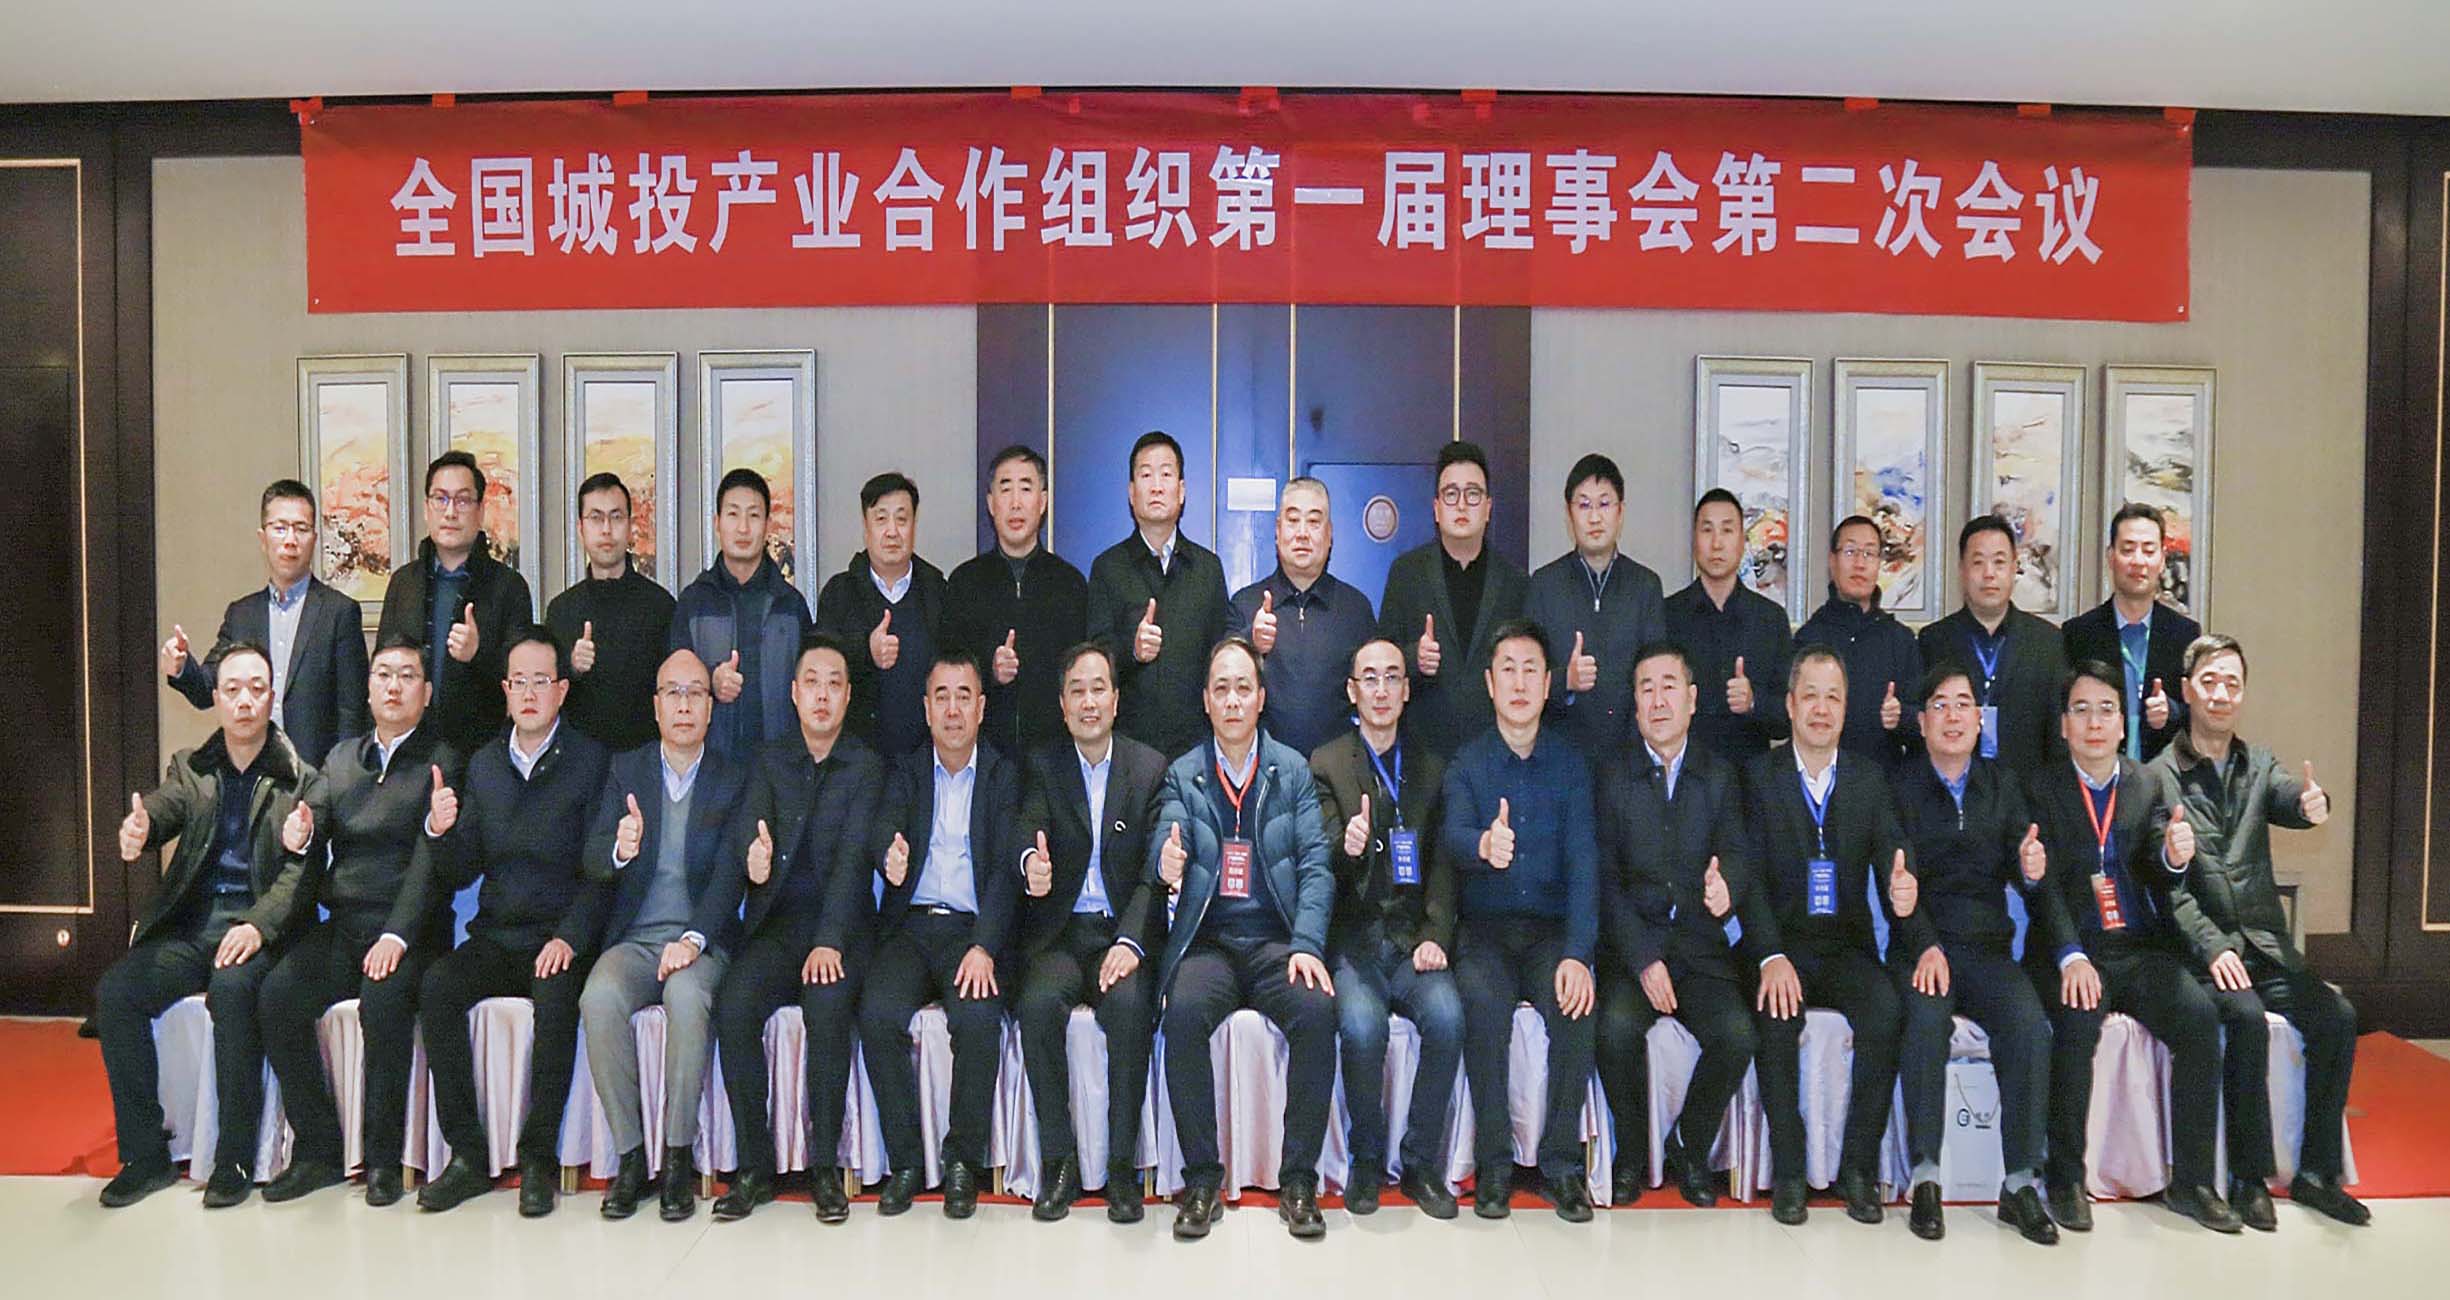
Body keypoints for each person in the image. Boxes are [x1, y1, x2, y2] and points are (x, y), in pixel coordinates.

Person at [96, 641, 326, 1209]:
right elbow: (164, 808)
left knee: (233, 989)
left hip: (259, 931)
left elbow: (301, 875)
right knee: (116, 993)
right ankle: (145, 1156)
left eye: (256, 689)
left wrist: (257, 926)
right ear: (216, 698)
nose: (244, 701)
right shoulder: (192, 768)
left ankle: (235, 1158)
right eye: (232, 689)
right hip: (195, 928)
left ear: (272, 697)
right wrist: (142, 828)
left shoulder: (302, 779)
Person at [2149, 633, 2369, 1227]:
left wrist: (2312, 802)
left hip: (2263, 946)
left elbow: (2290, 796)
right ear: (2187, 691)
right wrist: (2212, 946)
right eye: (2210, 682)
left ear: (2243, 695)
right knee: (2245, 1018)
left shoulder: (2259, 765)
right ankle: (2249, 1177)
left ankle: (2318, 1174)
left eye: (2233, 684)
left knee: (2337, 1016)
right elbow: (2165, 888)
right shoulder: (2157, 776)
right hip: (2199, 950)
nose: (2221, 694)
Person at [2025, 661, 2243, 1233]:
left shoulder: (2146, 782)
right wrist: (2071, 955)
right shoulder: (2040, 787)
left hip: (2135, 947)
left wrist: (2172, 855)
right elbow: (2043, 889)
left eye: (2106, 711)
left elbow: (2155, 867)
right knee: (2076, 1019)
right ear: (2064, 725)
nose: (2094, 723)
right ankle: (2065, 1178)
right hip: (2071, 947)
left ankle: (2192, 1183)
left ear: (2123, 724)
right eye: (2081, 711)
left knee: (2199, 1018)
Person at [256, 634, 463, 1207]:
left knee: (384, 999)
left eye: (407, 676)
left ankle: (382, 1160)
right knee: (277, 995)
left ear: (426, 692)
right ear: (369, 689)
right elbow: (314, 820)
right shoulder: (342, 758)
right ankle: (319, 1149)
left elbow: (430, 863)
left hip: (413, 930)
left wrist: (397, 934)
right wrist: (299, 834)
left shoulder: (442, 761)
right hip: (348, 926)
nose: (394, 687)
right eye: (383, 675)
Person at [412, 628, 612, 1216]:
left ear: (562, 691)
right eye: (517, 682)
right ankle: (468, 1155)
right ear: (503, 690)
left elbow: (602, 872)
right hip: (498, 935)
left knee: (557, 998)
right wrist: (440, 831)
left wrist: (570, 937)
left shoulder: (590, 761)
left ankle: (538, 1157)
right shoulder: (485, 765)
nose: (528, 693)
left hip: (559, 936)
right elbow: (462, 869)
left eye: (540, 682)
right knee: (437, 987)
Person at [1151, 637, 1338, 1242]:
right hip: (1210, 942)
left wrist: (1307, 943)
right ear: (1206, 701)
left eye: (1242, 688)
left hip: (1277, 941)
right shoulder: (1184, 773)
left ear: (1261, 698)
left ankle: (1299, 1180)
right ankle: (1202, 1180)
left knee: (1317, 1011)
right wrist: (1165, 861)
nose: (1232, 701)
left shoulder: (1292, 770)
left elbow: (1316, 865)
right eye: (1221, 689)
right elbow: (1165, 838)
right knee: (1182, 1012)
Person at [705, 634, 885, 1225]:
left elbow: (855, 858)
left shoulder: (866, 765)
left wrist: (829, 940)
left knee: (828, 1007)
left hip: (842, 929)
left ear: (849, 696)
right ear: (793, 693)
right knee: (734, 1005)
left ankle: (824, 1166)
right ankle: (754, 1165)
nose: (822, 696)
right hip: (777, 926)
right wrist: (752, 859)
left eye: (834, 684)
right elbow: (748, 834)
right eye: (812, 683)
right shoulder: (769, 759)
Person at [1591, 641, 1769, 1210]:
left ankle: (1689, 1146)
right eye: (1646, 688)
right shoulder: (1613, 777)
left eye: (1670, 687)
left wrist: (1728, 884)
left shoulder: (1719, 776)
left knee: (1737, 1035)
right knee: (1614, 1030)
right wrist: (1643, 959)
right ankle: (1631, 1152)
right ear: (1635, 703)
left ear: (1692, 700)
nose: (1658, 700)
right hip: (1636, 949)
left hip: (1700, 947)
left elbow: (1739, 854)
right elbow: (1606, 881)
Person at [1887, 665, 2058, 1245]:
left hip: (1986, 949)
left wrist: (2030, 870)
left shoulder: (2002, 785)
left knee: (2029, 1027)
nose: (1953, 716)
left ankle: (2020, 1183)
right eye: (1940, 705)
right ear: (1921, 722)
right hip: (1923, 946)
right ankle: (1926, 1176)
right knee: (1925, 1020)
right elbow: (1898, 880)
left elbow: (2024, 862)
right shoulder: (1900, 787)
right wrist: (1925, 944)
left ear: (1980, 720)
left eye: (1964, 704)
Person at [577, 650, 749, 1222]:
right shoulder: (625, 771)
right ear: (655, 706)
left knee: (686, 996)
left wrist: (694, 938)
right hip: (636, 941)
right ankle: (631, 1158)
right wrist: (620, 847)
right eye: (672, 693)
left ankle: (677, 1156)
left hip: (702, 942)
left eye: (695, 693)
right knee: (598, 998)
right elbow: (592, 858)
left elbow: (730, 875)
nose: (683, 705)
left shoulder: (732, 776)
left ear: (711, 708)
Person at [1737, 646, 1905, 1225]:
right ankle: (1789, 1169)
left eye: (1833, 697)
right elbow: (1747, 881)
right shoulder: (1758, 778)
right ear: (1789, 704)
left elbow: (1892, 861)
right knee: (1776, 1014)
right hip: (1782, 944)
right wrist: (1769, 955)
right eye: (1810, 695)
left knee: (1885, 1011)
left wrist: (1902, 890)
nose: (1821, 708)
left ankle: (1858, 1168)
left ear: (1846, 708)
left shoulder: (1868, 780)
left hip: (1845, 946)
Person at [1439, 619, 1598, 1221]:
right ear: (1489, 683)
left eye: (1532, 669)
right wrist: (1483, 844)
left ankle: (1561, 1165)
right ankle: (1495, 1165)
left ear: (1549, 682)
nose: (1520, 682)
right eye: (1508, 669)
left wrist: (1578, 954)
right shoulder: (1468, 762)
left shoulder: (1571, 765)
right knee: (1482, 1008)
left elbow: (1585, 867)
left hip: (1550, 933)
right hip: (1484, 931)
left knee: (1577, 1007)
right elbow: (1451, 836)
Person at [857, 651, 1021, 1219]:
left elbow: (1005, 873)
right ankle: (905, 1162)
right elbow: (884, 825)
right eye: (942, 697)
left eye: (963, 696)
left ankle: (962, 1163)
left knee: (977, 1018)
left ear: (982, 707)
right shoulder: (905, 770)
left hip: (971, 930)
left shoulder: (1003, 775)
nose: (953, 710)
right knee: (877, 1013)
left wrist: (985, 946)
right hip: (911, 925)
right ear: (926, 709)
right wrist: (889, 852)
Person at [1012, 642, 1168, 1223]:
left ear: (1116, 699)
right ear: (1062, 704)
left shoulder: (1148, 769)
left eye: (1098, 688)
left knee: (1129, 1010)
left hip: (1119, 935)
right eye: (1077, 690)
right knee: (1036, 1005)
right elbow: (1028, 828)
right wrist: (1031, 862)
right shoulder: (1043, 765)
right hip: (1061, 933)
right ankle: (1060, 1163)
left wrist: (1130, 942)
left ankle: (1122, 1166)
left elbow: (1154, 874)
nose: (1088, 701)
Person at [1311, 637, 1461, 1219]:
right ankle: (1367, 1160)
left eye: (1392, 677)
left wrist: (1435, 936)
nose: (1380, 689)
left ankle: (1420, 1163)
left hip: (1412, 939)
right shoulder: (1326, 763)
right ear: (1352, 691)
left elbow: (1444, 866)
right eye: (1369, 678)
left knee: (1447, 1018)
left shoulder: (1431, 767)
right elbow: (1321, 860)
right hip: (1355, 942)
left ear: (1406, 690)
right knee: (1362, 1028)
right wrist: (1347, 848)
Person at [161, 478, 369, 766]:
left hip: (316, 775)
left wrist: (340, 778)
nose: (290, 540)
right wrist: (182, 666)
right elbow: (208, 689)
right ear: (263, 538)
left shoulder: (340, 613)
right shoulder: (242, 614)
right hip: (250, 771)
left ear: (314, 539)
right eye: (280, 528)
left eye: (301, 529)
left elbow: (352, 714)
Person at [376, 451, 536, 754]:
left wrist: (478, 653)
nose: (450, 512)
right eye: (440, 499)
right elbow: (381, 667)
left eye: (462, 501)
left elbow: (524, 681)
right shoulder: (403, 583)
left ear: (480, 510)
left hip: (483, 753)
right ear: (427, 508)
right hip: (408, 752)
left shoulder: (509, 587)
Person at [1086, 431, 1231, 761]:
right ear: (1131, 493)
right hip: (1128, 750)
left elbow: (1219, 657)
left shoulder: (1208, 569)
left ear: (1181, 491)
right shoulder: (1107, 568)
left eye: (1166, 474)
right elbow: (1095, 660)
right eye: (1145, 475)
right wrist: (1133, 651)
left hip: (1196, 750)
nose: (1156, 486)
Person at [1379, 441, 1528, 760]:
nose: (1461, 505)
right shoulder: (1406, 573)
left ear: (1488, 508)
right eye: (1451, 494)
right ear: (1436, 508)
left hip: (1494, 753)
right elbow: (1381, 658)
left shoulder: (1515, 582)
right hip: (1421, 755)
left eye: (1473, 494)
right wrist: (1414, 659)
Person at [944, 444, 1090, 760]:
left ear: (1043, 501)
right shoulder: (963, 583)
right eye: (1005, 489)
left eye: (1025, 488)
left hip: (1055, 759)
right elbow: (947, 670)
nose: (1015, 503)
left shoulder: (1070, 584)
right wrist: (990, 670)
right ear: (990, 503)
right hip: (984, 759)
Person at [1523, 453, 1666, 759]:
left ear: (1620, 511)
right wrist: (1566, 680)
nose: (1595, 518)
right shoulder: (1544, 585)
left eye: (1604, 504)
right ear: (1569, 513)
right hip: (1559, 756)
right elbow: (1527, 676)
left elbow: (1656, 675)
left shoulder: (1646, 586)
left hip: (1631, 758)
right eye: (1584, 505)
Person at [672, 468, 814, 763]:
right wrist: (710, 682)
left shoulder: (791, 605)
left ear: (767, 524)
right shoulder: (693, 602)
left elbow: (809, 686)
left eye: (753, 515)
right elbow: (672, 683)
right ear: (717, 523)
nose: (743, 528)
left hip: (781, 767)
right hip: (710, 767)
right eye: (733, 514)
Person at [1231, 476, 1377, 756]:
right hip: (1264, 770)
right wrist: (1251, 642)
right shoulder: (1245, 604)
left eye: (1313, 522)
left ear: (1329, 534)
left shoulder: (1356, 609)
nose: (1302, 533)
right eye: (1293, 520)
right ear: (1277, 531)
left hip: (1336, 772)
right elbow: (1222, 684)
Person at [1918, 516, 2069, 777]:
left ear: (2014, 568)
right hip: (1952, 789)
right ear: (1962, 570)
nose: (1989, 574)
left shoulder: (2048, 642)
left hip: (2027, 792)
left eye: (1999, 562)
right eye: (1978, 562)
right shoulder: (1934, 640)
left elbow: (2058, 736)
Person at [815, 471, 949, 759]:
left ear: (914, 525)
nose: (892, 531)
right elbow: (820, 671)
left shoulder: (938, 592)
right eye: (881, 519)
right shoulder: (839, 594)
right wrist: (867, 652)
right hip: (854, 763)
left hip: (925, 763)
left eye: (901, 519)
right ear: (866, 527)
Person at [544, 472, 677, 752]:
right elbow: (544, 693)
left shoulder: (660, 606)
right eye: (596, 518)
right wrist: (572, 666)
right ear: (581, 528)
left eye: (616, 517)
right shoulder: (561, 611)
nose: (606, 529)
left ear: (630, 526)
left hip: (643, 761)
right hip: (575, 763)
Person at [2062, 502, 2201, 763]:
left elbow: (2198, 714)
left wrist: (2171, 711)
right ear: (2111, 557)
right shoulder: (2079, 634)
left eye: (2148, 550)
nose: (2138, 561)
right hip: (2097, 772)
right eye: (2128, 550)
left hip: (2162, 778)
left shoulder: (2184, 634)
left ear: (2162, 559)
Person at [1665, 488, 1792, 764]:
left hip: (1750, 778)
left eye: (1727, 530)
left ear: (1742, 541)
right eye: (1707, 530)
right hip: (1684, 778)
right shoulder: (1667, 615)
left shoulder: (1770, 620)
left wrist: (1754, 702)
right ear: (1694, 540)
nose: (1717, 543)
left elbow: (1787, 718)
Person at [1795, 515, 1921, 765]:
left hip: (1883, 780)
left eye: (1869, 553)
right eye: (1850, 551)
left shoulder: (1900, 639)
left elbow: (1925, 721)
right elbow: (1788, 715)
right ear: (1832, 561)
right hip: (1819, 777)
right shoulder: (1809, 638)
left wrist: (1902, 717)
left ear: (1879, 563)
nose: (1860, 563)